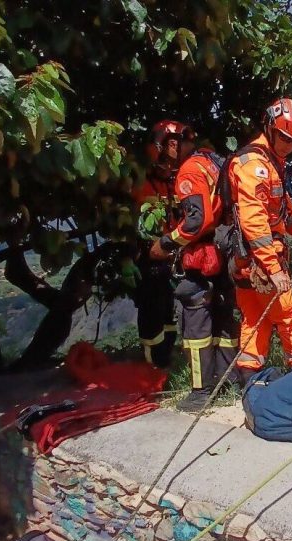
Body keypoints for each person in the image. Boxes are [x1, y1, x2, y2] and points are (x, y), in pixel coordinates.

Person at [226, 97, 292, 384]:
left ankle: (248, 375)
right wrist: (275, 269)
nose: (288, 146)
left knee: (255, 318)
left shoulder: (269, 163)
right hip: (261, 262)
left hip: (248, 261)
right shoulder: (255, 166)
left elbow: (283, 210)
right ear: (269, 127)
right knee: (288, 315)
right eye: (284, 138)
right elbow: (254, 220)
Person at [147, 121, 240, 412]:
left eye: (165, 152)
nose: (166, 160)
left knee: (196, 321)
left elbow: (196, 221)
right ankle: (231, 381)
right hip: (227, 250)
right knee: (225, 316)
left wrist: (166, 242)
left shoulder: (189, 170)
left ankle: (201, 392)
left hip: (204, 255)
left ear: (171, 144)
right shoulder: (212, 160)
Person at [130, 120, 184, 368]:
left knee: (168, 316)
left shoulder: (170, 184)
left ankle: (166, 361)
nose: (176, 150)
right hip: (151, 262)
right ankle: (152, 367)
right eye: (171, 144)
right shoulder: (144, 183)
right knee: (153, 317)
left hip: (169, 262)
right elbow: (144, 229)